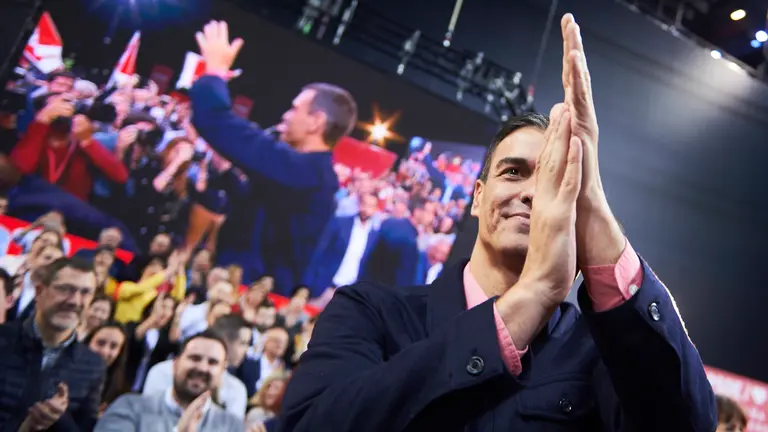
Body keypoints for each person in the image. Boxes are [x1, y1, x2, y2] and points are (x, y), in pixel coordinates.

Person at [279, 14, 716, 432]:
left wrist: (595, 205)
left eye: (550, 179)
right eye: (513, 172)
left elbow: (684, 424)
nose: (530, 191)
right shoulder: (373, 313)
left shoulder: (598, 353)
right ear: (477, 197)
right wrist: (531, 297)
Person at [190, 21, 357, 294]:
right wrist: (227, 171)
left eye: (294, 109)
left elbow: (215, 120)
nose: (285, 116)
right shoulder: (303, 171)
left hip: (251, 298)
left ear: (316, 122)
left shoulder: (305, 172)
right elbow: (258, 207)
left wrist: (215, 73)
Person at [0, 257, 105, 431]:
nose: (74, 301)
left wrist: (57, 418)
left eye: (85, 293)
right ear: (39, 291)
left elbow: (84, 427)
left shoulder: (93, 365)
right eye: (65, 289)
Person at [97, 330, 244, 431]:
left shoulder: (231, 426)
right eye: (194, 358)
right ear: (175, 364)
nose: (202, 368)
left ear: (222, 372)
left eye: (212, 362)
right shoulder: (130, 407)